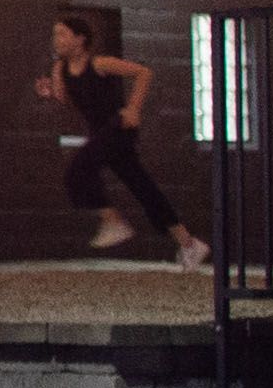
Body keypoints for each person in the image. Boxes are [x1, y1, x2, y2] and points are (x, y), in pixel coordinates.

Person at [39, 13, 202, 261]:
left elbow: (143, 73)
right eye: (55, 35)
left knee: (77, 169)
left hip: (118, 129)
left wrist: (134, 107)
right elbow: (67, 99)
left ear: (79, 39)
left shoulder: (100, 64)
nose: (56, 40)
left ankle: (113, 221)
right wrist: (49, 93)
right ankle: (189, 243)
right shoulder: (59, 69)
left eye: (62, 34)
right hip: (100, 133)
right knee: (141, 185)